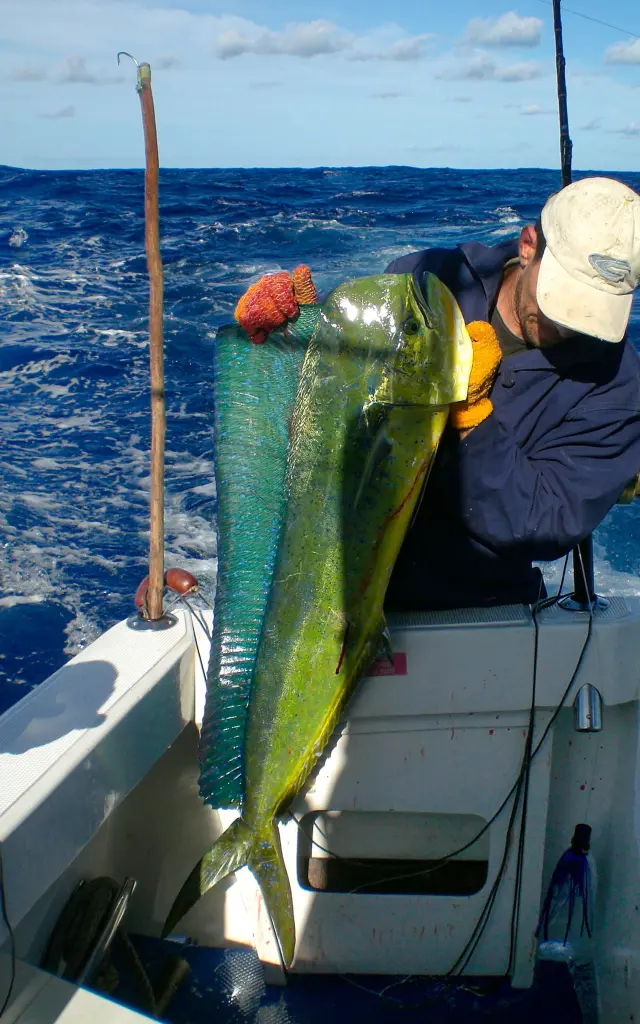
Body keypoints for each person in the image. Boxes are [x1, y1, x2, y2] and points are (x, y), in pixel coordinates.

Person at [234, 177, 640, 610]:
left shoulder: (619, 383)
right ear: (528, 246)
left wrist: (470, 419)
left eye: (592, 310)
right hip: (338, 582)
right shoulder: (423, 282)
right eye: (561, 299)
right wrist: (295, 331)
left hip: (478, 606)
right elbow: (328, 396)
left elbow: (545, 522)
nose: (571, 325)